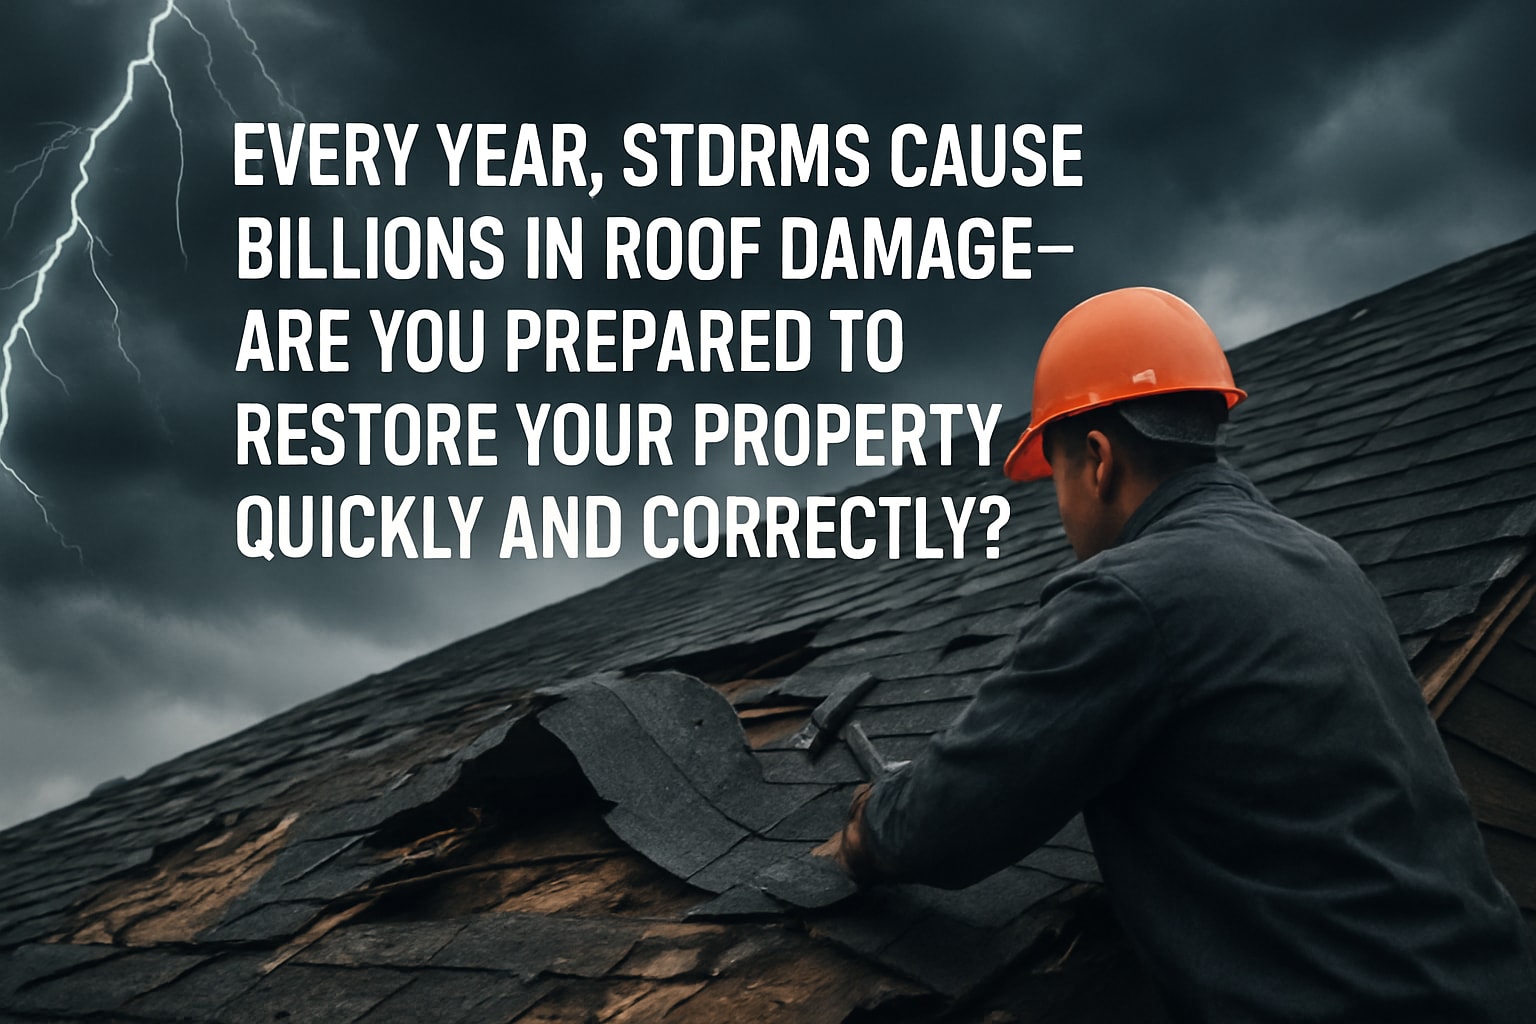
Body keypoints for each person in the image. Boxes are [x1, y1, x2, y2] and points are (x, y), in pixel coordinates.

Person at [817, 287, 1536, 1023]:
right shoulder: (1323, 560)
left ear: (1096, 460)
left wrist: (867, 831)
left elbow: (945, 826)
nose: (1062, 509)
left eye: (1057, 478)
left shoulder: (1129, 595)